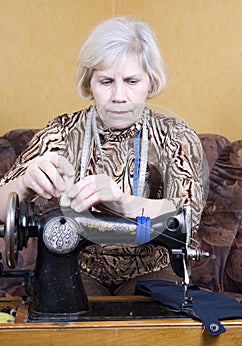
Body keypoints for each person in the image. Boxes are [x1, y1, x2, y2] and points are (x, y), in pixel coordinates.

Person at [0, 16, 204, 295]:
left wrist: (123, 204)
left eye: (132, 81)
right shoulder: (61, 132)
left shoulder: (176, 137)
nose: (119, 95)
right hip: (77, 266)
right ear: (89, 83)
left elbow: (187, 218)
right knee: (72, 324)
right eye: (106, 81)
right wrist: (22, 185)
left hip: (153, 269)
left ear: (151, 81)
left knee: (148, 325)